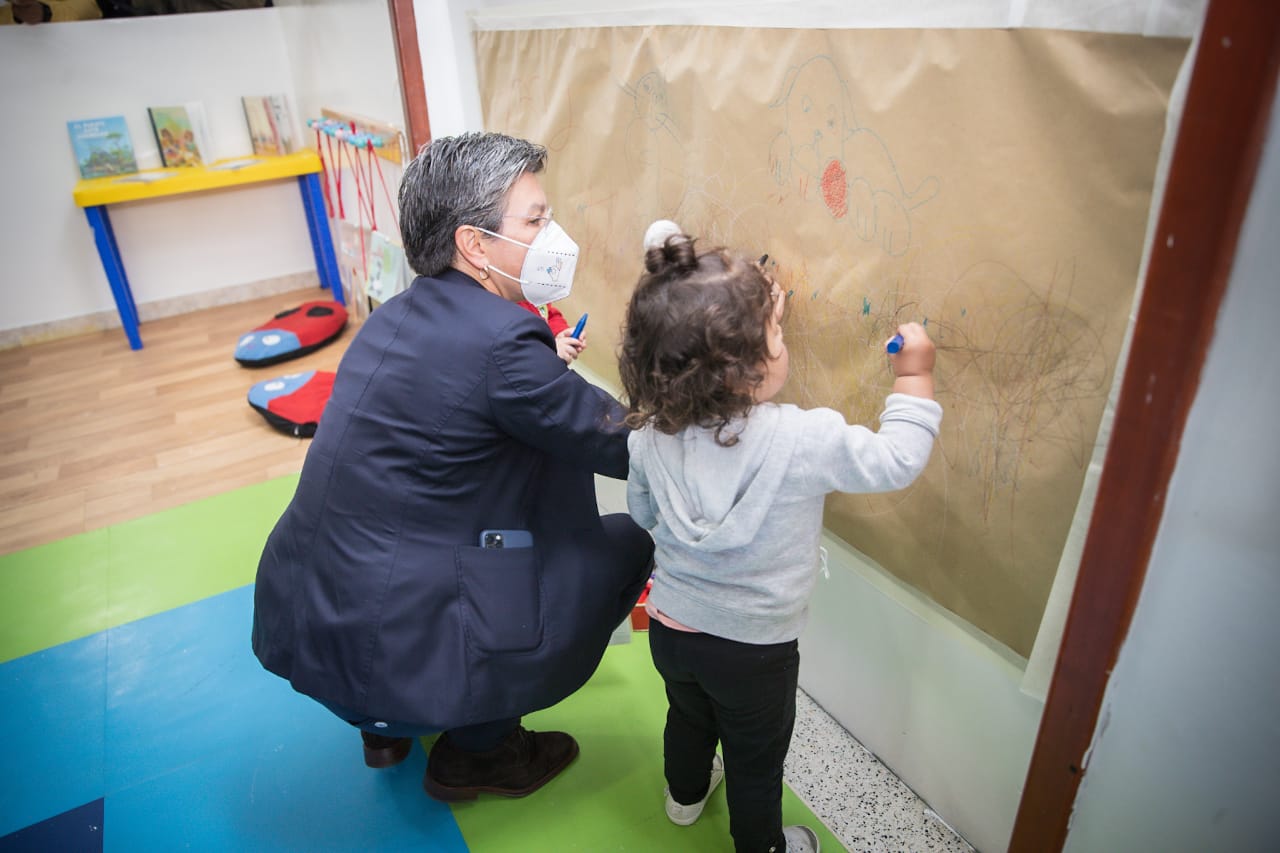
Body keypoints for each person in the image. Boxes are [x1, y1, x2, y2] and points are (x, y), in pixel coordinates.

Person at [251, 131, 654, 802]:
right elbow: (624, 443)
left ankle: (385, 728)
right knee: (624, 542)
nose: (553, 234)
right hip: (397, 632)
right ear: (475, 243)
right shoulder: (504, 341)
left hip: (315, 616)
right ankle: (482, 751)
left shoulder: (396, 316)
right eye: (536, 220)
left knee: (445, 528)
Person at [617, 231, 942, 853]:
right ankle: (762, 845)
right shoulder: (803, 440)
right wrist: (914, 373)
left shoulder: (650, 435)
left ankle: (683, 800)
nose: (781, 343)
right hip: (755, 652)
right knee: (755, 757)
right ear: (750, 368)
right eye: (776, 336)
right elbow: (897, 460)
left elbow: (641, 512)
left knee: (687, 719)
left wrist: (748, 314)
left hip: (671, 629)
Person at [516, 297, 586, 365]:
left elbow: (546, 314)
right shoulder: (511, 306)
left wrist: (561, 331)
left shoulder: (537, 295)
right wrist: (549, 352)